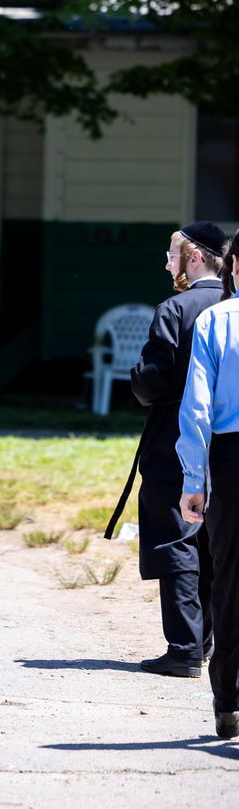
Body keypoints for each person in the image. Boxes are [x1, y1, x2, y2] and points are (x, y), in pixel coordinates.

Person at [128, 221, 224, 678]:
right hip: (230, 439)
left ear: (195, 257)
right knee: (215, 538)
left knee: (176, 535)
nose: (167, 264)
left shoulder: (177, 308)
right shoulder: (233, 307)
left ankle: (185, 647)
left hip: (175, 433)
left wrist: (140, 381)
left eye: (172, 254)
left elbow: (151, 381)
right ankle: (207, 641)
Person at [178, 232, 239, 740]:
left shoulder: (216, 320)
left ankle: (227, 701)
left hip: (231, 457)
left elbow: (196, 407)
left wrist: (192, 479)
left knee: (229, 580)